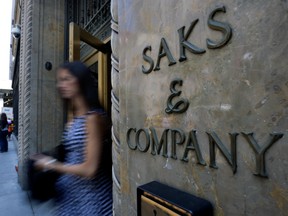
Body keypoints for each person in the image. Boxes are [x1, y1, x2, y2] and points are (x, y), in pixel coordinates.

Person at [35, 61, 113, 216]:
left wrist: (51, 164)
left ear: (80, 79)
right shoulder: (75, 118)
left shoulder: (93, 118)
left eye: (66, 79)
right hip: (71, 198)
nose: (61, 85)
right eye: (59, 81)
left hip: (91, 200)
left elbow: (90, 169)